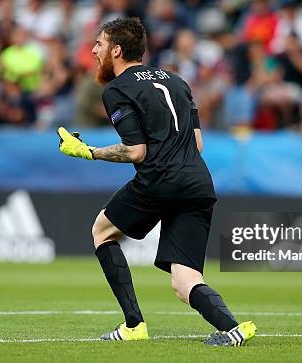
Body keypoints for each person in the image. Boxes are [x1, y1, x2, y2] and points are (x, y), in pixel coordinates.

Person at [57, 17, 257, 346]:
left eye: (100, 44)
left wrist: (88, 152)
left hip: (160, 179)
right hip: (197, 181)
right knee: (184, 280)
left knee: (102, 231)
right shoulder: (177, 82)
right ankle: (233, 328)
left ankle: (134, 325)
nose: (93, 50)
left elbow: (136, 152)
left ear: (117, 51)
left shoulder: (117, 89)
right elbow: (199, 144)